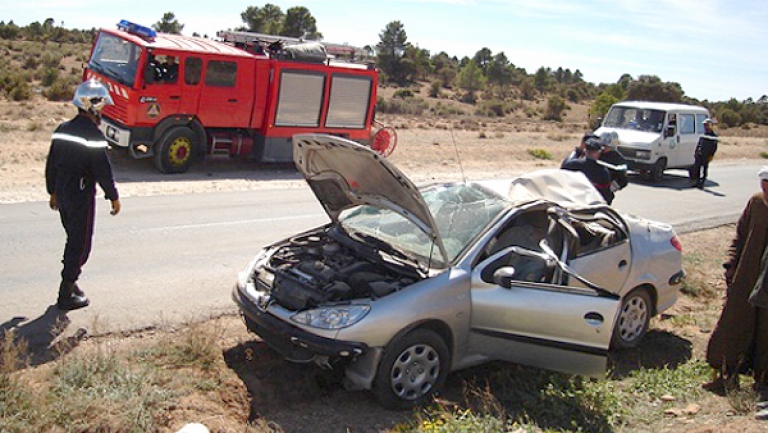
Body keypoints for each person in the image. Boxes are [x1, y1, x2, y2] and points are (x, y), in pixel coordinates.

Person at [45, 80, 121, 311]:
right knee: (80, 244)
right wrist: (113, 196)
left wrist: (52, 192)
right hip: (80, 194)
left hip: (63, 194)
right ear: (92, 106)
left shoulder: (62, 130)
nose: (103, 111)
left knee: (72, 238)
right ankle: (66, 291)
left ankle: (72, 281)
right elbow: (102, 171)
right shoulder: (93, 135)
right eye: (101, 106)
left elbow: (51, 165)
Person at [704, 166, 768, 420]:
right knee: (734, 322)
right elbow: (740, 236)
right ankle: (726, 372)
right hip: (747, 277)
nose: (766, 189)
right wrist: (731, 265)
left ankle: (762, 381)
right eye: (764, 184)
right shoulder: (756, 203)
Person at [560, 136, 613, 204]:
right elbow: (607, 195)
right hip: (591, 206)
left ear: (585, 150)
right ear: (598, 152)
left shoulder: (570, 164)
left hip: (569, 202)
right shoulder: (602, 171)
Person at [691, 118, 719, 188]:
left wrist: (711, 155)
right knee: (697, 168)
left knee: (704, 169)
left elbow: (714, 147)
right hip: (700, 154)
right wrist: (696, 151)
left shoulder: (713, 136)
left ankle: (702, 182)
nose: (705, 127)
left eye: (706, 125)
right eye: (704, 125)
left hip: (707, 155)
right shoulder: (704, 134)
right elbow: (699, 143)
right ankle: (697, 182)